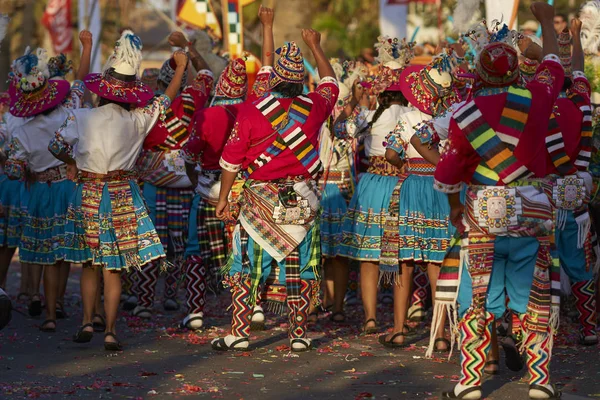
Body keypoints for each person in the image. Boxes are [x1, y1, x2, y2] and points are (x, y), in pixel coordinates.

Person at [435, 3, 564, 399]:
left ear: (481, 73)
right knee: (534, 297)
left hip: (484, 217)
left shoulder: (465, 114)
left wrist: (455, 206)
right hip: (532, 214)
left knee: (479, 299)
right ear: (515, 70)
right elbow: (555, 65)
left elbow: (447, 172)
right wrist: (544, 21)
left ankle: (471, 381)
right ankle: (540, 381)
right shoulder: (539, 99)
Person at [48, 30, 187, 351]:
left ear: (104, 90)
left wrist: (72, 161)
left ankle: (86, 321)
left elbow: (56, 145)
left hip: (89, 191)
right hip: (123, 192)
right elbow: (167, 99)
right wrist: (180, 68)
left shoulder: (82, 116)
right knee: (114, 266)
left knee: (88, 263)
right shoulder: (139, 120)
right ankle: (110, 330)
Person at [213, 29, 338, 352]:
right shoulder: (315, 106)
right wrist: (316, 46)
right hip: (301, 197)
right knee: (298, 266)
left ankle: (240, 332)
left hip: (258, 198)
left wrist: (224, 198)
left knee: (248, 266)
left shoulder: (252, 110)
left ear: (273, 81)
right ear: (299, 81)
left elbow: (230, 162)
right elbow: (331, 83)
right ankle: (298, 333)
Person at [181, 5, 275, 331]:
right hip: (245, 193)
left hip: (209, 191)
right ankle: (255, 306)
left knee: (197, 250)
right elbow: (266, 70)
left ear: (222, 85)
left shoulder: (206, 115)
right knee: (246, 250)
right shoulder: (255, 108)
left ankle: (196, 311)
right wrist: (267, 26)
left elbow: (189, 155)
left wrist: (198, 180)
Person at [4, 31, 92, 333]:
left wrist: (29, 166)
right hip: (69, 188)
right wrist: (87, 46)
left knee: (45, 253)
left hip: (40, 191)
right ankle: (59, 305)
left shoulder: (22, 132)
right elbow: (80, 82)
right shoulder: (68, 114)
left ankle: (50, 313)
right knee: (64, 252)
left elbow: (13, 170)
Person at [378, 49, 463, 349]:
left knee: (406, 260)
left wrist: (405, 166)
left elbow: (390, 154)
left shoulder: (407, 117)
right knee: (438, 261)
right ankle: (440, 334)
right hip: (444, 189)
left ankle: (399, 329)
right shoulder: (453, 116)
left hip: (412, 187)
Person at [130, 31, 213, 319]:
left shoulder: (148, 107)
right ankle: (172, 297)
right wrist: (188, 50)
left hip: (154, 184)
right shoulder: (193, 99)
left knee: (151, 240)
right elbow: (206, 73)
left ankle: (144, 299)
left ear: (163, 83)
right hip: (187, 182)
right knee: (181, 242)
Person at [337, 36, 414, 335]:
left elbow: (340, 128)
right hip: (403, 185)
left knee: (368, 257)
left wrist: (355, 98)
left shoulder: (370, 116)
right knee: (402, 255)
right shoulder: (412, 115)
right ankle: (400, 319)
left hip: (371, 186)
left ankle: (370, 317)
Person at [543, 21, 597, 346]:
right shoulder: (582, 106)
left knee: (545, 261)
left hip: (545, 195)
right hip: (576, 194)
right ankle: (589, 327)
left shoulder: (539, 109)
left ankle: (546, 327)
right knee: (578, 262)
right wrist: (575, 36)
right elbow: (580, 71)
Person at [316, 60, 367, 323]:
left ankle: (334, 305)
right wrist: (352, 104)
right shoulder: (326, 120)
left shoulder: (347, 122)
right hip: (332, 190)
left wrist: (353, 105)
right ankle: (327, 303)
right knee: (326, 254)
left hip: (337, 191)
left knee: (334, 254)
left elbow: (342, 129)